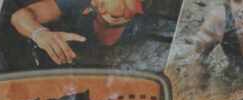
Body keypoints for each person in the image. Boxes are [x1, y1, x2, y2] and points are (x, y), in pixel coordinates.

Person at [10, 0, 146, 65]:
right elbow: (20, 17)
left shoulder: (139, 27)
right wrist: (40, 33)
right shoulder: (79, 4)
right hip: (60, 80)